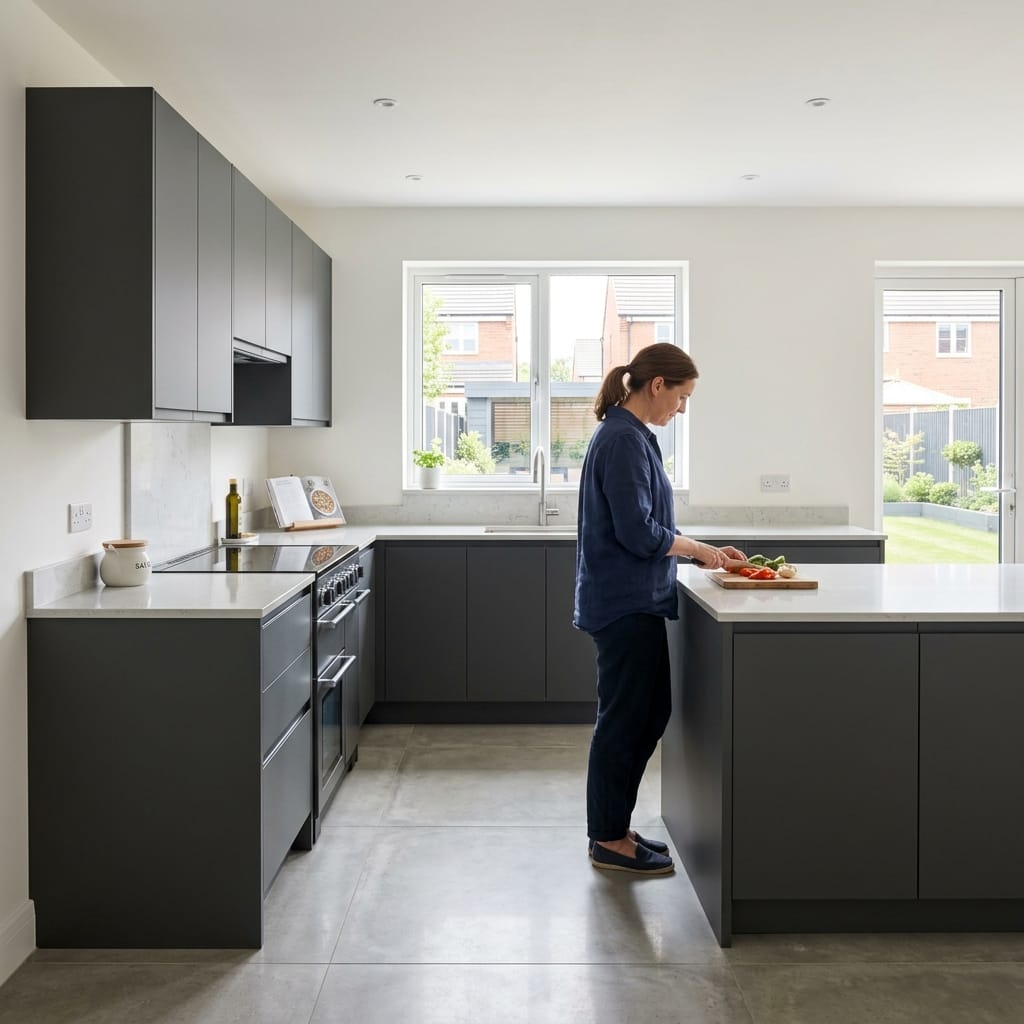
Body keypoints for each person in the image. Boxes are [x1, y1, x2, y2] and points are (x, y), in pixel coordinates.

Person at [574, 342, 745, 875]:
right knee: (626, 721)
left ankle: (615, 828)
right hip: (624, 605)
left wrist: (703, 551)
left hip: (634, 600)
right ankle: (606, 839)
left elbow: (648, 527)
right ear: (657, 386)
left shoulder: (632, 437)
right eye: (682, 396)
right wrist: (698, 551)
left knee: (644, 716)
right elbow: (639, 532)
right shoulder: (623, 440)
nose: (682, 408)